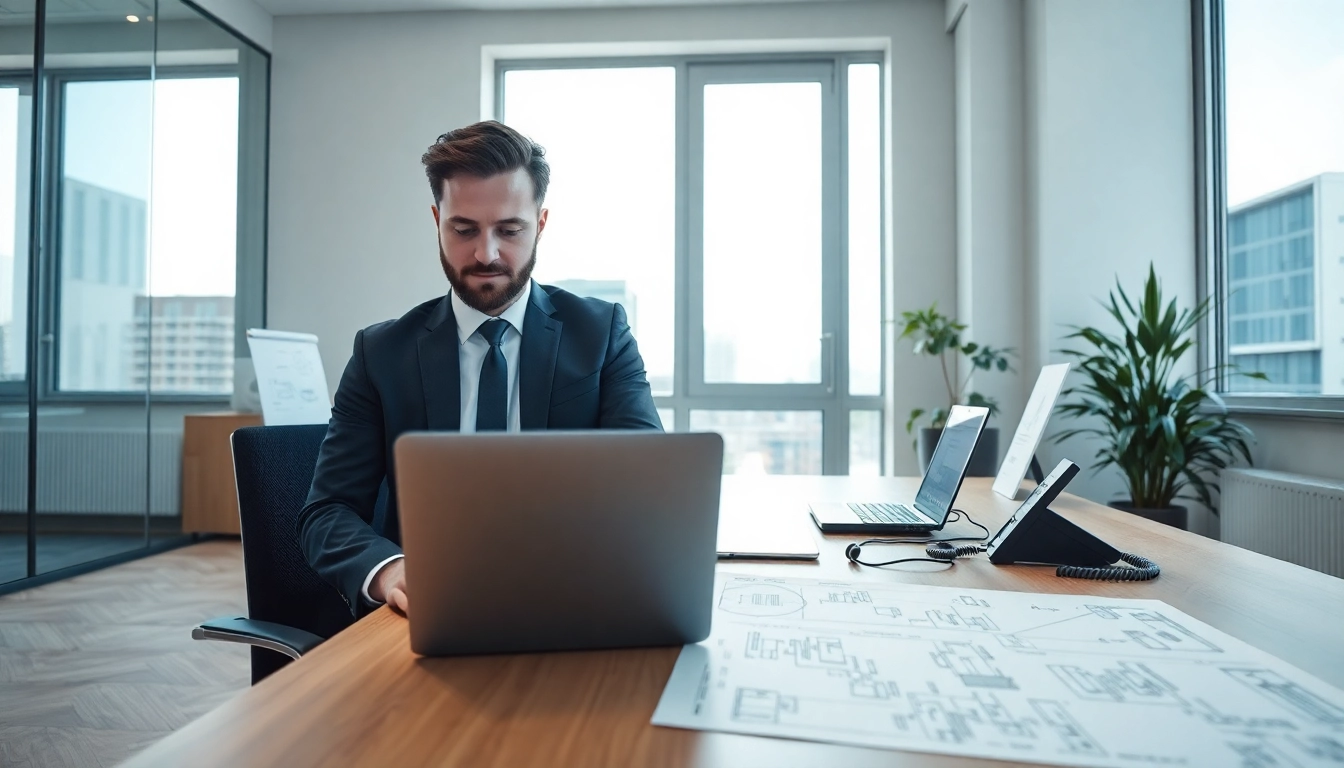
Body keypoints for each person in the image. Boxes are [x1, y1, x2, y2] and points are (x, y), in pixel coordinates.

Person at [297, 121, 662, 618]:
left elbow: (646, 489)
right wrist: (391, 570)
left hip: (572, 599)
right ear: (436, 220)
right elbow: (327, 513)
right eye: (463, 229)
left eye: (510, 231)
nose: (485, 254)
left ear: (542, 222)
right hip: (433, 610)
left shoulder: (601, 334)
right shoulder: (380, 354)